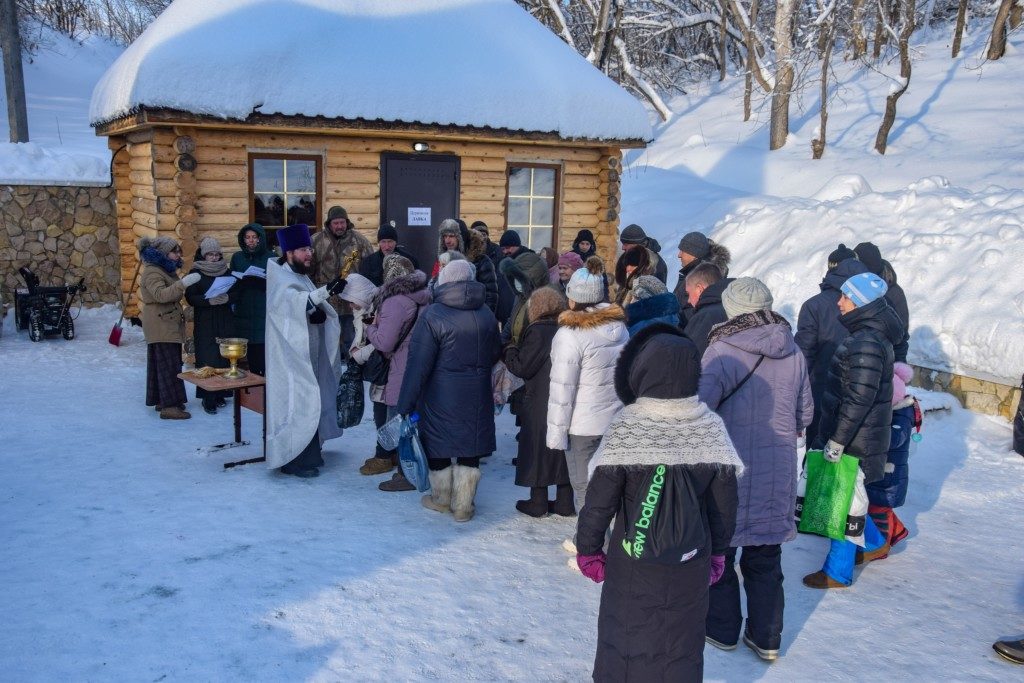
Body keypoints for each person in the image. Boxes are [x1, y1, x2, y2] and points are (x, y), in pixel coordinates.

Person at [575, 324, 742, 682]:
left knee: (625, 640)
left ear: (641, 372)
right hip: (690, 562)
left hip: (632, 562)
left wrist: (588, 550)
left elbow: (599, 502)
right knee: (680, 646)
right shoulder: (710, 427)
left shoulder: (628, 427)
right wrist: (719, 555)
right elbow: (724, 505)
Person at [698, 277, 813, 662]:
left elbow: (701, 408)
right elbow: (805, 413)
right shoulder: (792, 349)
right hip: (777, 466)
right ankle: (766, 637)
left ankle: (722, 629)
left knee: (721, 551)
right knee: (765, 558)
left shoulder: (720, 350)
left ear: (729, 310)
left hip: (728, 470)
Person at [804, 272, 905, 589]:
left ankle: (837, 572)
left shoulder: (866, 342)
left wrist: (837, 441)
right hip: (859, 435)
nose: (839, 301)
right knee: (849, 498)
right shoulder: (869, 335)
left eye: (846, 297)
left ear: (861, 302)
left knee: (842, 502)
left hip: (854, 440)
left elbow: (858, 399)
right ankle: (875, 544)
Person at [397, 260, 501, 521]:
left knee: (438, 442)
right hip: (477, 392)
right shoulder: (486, 312)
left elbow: (417, 364)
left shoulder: (433, 315)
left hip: (439, 394)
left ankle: (441, 499)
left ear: (444, 281)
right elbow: (496, 352)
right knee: (471, 442)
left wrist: (405, 403)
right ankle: (464, 506)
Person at [547, 259, 629, 518]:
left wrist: (556, 435)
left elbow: (563, 391)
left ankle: (591, 549)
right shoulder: (619, 328)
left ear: (573, 297)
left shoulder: (570, 335)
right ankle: (605, 543)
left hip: (582, 426)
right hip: (614, 420)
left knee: (584, 488)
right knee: (610, 487)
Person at [265, 223, 347, 478]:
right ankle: (292, 459)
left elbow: (307, 306)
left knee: (310, 399)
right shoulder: (281, 278)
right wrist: (325, 293)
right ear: (288, 252)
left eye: (309, 249)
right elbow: (291, 303)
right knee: (296, 402)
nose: (309, 254)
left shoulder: (300, 275)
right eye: (302, 250)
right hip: (290, 359)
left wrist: (318, 313)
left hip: (307, 352)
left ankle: (310, 454)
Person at [503, 286, 573, 517]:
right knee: (563, 449)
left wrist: (511, 350)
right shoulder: (568, 328)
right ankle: (565, 501)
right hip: (566, 397)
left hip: (540, 397)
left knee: (537, 448)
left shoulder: (538, 331)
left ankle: (538, 501)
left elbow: (523, 367)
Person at [365, 255, 431, 491]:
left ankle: (406, 475)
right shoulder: (424, 296)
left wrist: (370, 328)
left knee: (401, 421)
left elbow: (384, 342)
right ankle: (415, 468)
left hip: (400, 368)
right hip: (420, 365)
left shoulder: (394, 302)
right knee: (414, 420)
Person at [794, 249, 869, 448]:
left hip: (821, 392)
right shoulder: (873, 308)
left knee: (817, 453)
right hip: (861, 398)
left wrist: (796, 396)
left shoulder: (814, 305)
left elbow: (803, 355)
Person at [138, 236, 201, 420]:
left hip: (166, 322)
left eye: (178, 251)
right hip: (160, 324)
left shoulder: (164, 269)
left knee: (167, 363)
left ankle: (164, 400)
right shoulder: (152, 272)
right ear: (164, 253)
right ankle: (169, 406)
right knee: (168, 366)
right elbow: (161, 295)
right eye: (175, 251)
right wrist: (183, 283)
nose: (178, 254)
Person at [861, 362, 917, 557]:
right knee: (874, 504)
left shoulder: (901, 414)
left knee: (879, 509)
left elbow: (895, 439)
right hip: (882, 471)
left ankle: (879, 547)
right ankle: (898, 531)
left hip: (891, 476)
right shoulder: (892, 411)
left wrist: (872, 430)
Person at [336, 273, 385, 474]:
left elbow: (383, 341)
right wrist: (354, 352)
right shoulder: (363, 308)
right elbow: (360, 337)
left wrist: (360, 354)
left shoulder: (380, 308)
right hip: (376, 369)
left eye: (351, 301)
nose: (349, 306)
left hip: (386, 368)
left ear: (360, 296)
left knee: (385, 412)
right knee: (379, 409)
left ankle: (385, 455)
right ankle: (384, 452)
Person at [311, 205, 374, 357]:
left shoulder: (360, 241)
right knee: (327, 341)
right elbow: (309, 269)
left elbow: (370, 269)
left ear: (347, 222)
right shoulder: (316, 241)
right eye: (336, 223)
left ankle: (352, 368)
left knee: (351, 338)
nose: (340, 226)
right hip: (326, 301)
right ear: (329, 224)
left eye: (342, 222)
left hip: (350, 301)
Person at [184, 237, 236, 414]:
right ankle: (208, 398)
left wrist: (228, 297)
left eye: (216, 254)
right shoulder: (195, 273)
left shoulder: (226, 271)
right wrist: (209, 301)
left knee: (223, 356)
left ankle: (221, 393)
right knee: (207, 358)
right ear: (203, 255)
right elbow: (190, 297)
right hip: (205, 321)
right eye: (210, 255)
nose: (214, 258)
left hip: (224, 319)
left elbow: (237, 292)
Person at [229, 223, 274, 375]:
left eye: (254, 237)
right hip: (244, 309)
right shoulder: (237, 257)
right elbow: (232, 281)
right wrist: (241, 283)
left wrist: (262, 283)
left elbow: (277, 284)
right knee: (247, 355)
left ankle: (266, 391)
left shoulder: (271, 257)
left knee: (264, 353)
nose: (251, 241)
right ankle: (250, 394)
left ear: (260, 239)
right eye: (247, 237)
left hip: (264, 309)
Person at [854, 241, 909, 362]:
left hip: (885, 361)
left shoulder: (893, 293)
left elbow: (902, 335)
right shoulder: (857, 288)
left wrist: (898, 367)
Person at [672, 231, 731, 323]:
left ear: (694, 255)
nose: (679, 255)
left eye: (682, 251)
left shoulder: (701, 278)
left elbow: (694, 312)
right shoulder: (692, 273)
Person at [499, 249, 550, 346]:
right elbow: (512, 320)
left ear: (533, 279)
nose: (516, 282)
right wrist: (501, 342)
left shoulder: (545, 303)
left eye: (520, 279)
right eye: (514, 278)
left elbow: (537, 341)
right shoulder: (520, 296)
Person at [682, 262, 731, 358]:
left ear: (700, 289)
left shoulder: (704, 317)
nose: (688, 300)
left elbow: (691, 358)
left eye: (688, 293)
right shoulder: (734, 306)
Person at [457, 219, 499, 314]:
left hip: (475, 317)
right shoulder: (445, 259)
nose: (448, 240)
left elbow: (490, 294)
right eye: (445, 236)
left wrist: (484, 318)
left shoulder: (482, 260)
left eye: (452, 236)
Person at [358, 222, 418, 287]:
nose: (387, 246)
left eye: (390, 241)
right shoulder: (368, 263)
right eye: (383, 242)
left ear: (396, 242)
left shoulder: (410, 260)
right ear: (379, 243)